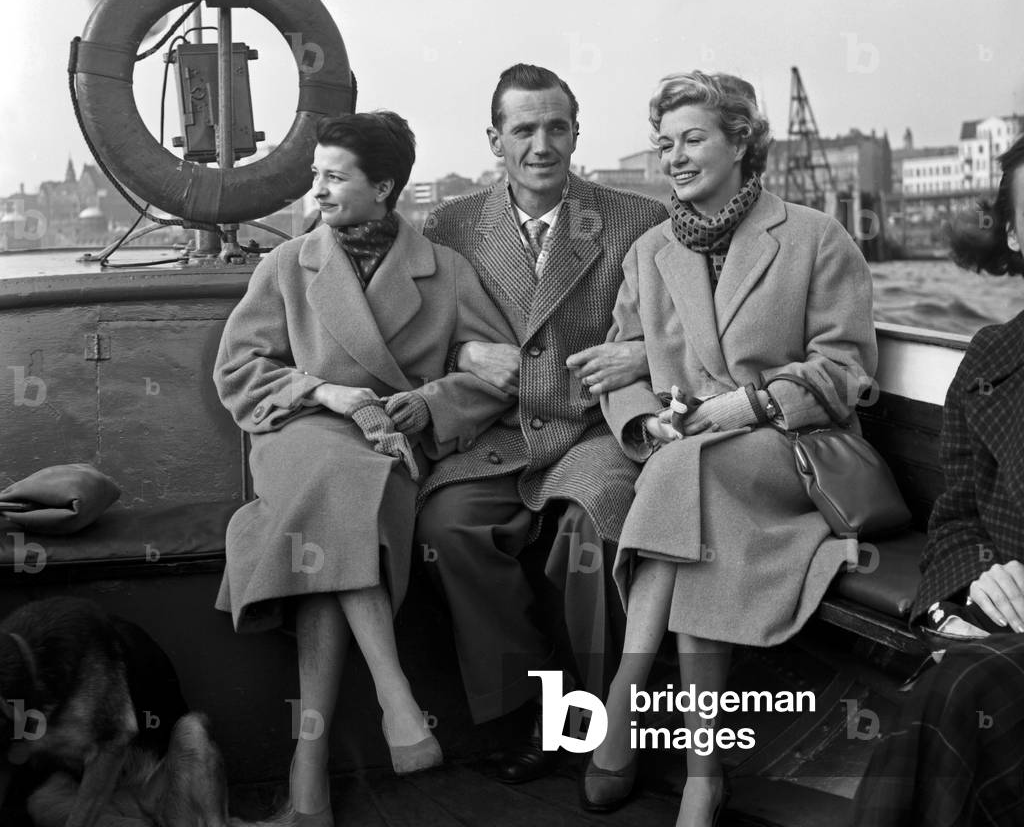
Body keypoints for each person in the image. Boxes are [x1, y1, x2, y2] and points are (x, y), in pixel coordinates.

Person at [589, 71, 877, 827]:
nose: (673, 158)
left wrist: (747, 403)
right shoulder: (651, 251)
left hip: (791, 448)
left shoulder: (815, 236)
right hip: (693, 460)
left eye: (691, 139)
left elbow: (846, 370)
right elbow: (622, 357)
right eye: (663, 144)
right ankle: (701, 776)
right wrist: (645, 419)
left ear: (740, 140)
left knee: (690, 472)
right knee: (690, 484)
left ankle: (622, 700)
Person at [213, 112, 516, 825]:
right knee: (335, 484)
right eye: (314, 173)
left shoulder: (445, 272)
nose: (316, 188)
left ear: (383, 187)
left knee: (340, 517)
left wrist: (426, 403)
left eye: (334, 175)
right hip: (299, 431)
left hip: (386, 442)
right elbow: (240, 371)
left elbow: (493, 377)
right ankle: (394, 695)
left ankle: (307, 770)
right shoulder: (286, 265)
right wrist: (322, 389)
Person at [416, 63, 667, 782]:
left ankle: (595, 719)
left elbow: (687, 332)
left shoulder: (635, 221)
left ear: (576, 133)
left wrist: (640, 352)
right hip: (497, 435)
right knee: (445, 527)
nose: (541, 144)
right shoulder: (450, 226)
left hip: (591, 428)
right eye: (523, 128)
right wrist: (461, 348)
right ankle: (532, 707)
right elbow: (412, 331)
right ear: (494, 139)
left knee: (596, 525)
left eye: (556, 126)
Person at [852, 134, 1024, 827]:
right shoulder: (991, 359)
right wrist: (980, 573)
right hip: (1006, 621)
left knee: (957, 693)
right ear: (1013, 234)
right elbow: (954, 516)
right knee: (959, 691)